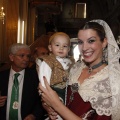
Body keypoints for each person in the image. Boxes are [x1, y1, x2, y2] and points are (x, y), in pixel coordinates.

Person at [39, 20, 120, 120]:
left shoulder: (112, 80)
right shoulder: (75, 68)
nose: (84, 48)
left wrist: (56, 105)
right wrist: (49, 108)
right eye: (80, 42)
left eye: (91, 41)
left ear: (104, 42)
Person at [0, 43, 44, 120]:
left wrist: (34, 115)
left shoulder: (36, 77)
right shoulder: (1, 77)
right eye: (22, 55)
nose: (26, 59)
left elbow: (42, 101)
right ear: (11, 57)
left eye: (28, 56)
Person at [37, 32, 75, 119]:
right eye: (57, 45)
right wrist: (45, 98)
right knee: (57, 114)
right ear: (50, 47)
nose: (61, 48)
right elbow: (44, 81)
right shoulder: (47, 62)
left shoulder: (71, 62)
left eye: (65, 46)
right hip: (54, 91)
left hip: (68, 92)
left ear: (69, 49)